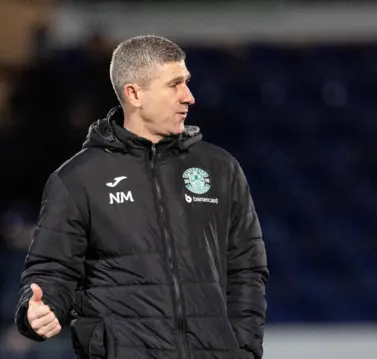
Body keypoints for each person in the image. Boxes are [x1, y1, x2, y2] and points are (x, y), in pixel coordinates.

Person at [14, 35, 269, 359]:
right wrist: (38, 309)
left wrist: (243, 350)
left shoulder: (220, 169)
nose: (188, 97)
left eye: (186, 83)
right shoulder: (78, 179)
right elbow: (52, 271)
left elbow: (247, 269)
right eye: (174, 85)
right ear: (134, 93)